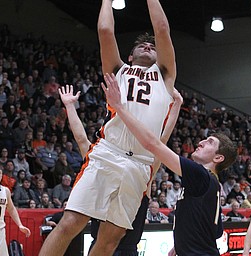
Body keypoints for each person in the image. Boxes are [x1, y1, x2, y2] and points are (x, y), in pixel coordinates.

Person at [39, 0, 176, 254]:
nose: (149, 46)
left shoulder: (166, 75)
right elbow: (104, 31)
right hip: (107, 152)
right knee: (70, 223)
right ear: (130, 56)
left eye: (152, 47)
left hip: (140, 164)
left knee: (110, 240)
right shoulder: (118, 70)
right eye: (142, 46)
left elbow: (162, 29)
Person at [102, 73, 237, 255]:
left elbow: (153, 144)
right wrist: (180, 246)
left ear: (218, 158)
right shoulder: (213, 184)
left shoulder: (200, 175)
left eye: (210, 142)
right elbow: (215, 231)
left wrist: (119, 107)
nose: (201, 142)